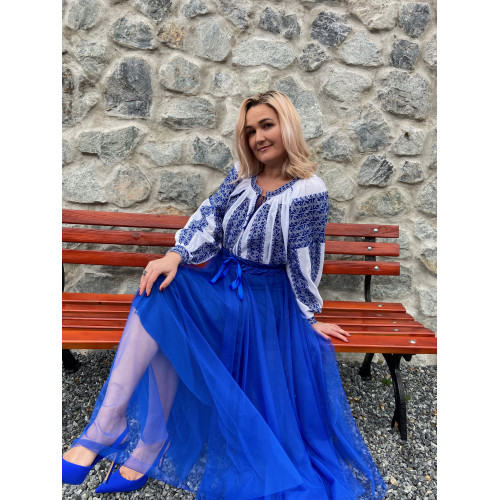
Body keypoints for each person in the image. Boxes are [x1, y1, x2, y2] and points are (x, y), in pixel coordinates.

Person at [62, 91, 387, 499]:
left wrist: (309, 317)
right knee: (163, 291)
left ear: (287, 126)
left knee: (168, 309)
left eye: (267, 126)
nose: (258, 138)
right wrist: (174, 255)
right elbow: (210, 217)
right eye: (250, 131)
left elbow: (305, 256)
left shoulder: (308, 190)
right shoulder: (241, 176)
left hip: (263, 302)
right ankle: (117, 426)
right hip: (224, 285)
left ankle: (134, 435)